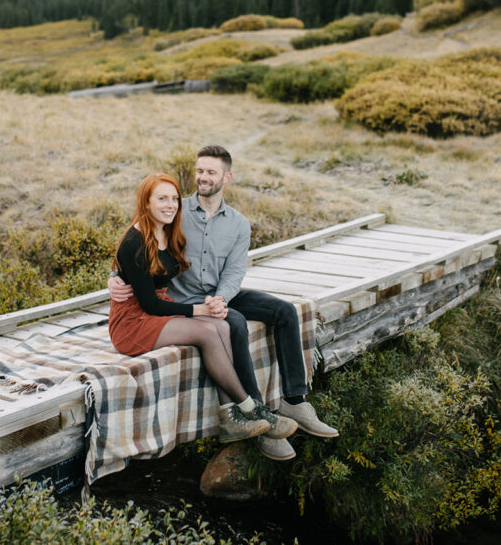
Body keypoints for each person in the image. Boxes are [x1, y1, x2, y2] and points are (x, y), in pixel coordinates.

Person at [110, 146, 338, 461]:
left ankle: (295, 401)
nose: (202, 177)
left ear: (226, 177)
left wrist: (221, 299)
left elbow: (234, 271)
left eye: (211, 172)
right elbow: (138, 249)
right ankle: (258, 418)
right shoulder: (177, 210)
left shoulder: (238, 224)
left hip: (219, 294)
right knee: (235, 324)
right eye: (199, 171)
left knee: (284, 311)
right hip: (181, 298)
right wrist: (114, 278)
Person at [109, 172, 272, 443]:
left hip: (159, 309)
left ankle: (228, 415)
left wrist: (210, 303)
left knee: (220, 325)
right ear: (146, 202)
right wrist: (199, 310)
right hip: (132, 322)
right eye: (161, 198)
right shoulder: (134, 242)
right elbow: (149, 303)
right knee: (207, 332)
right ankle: (248, 406)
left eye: (174, 198)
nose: (170, 205)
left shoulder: (168, 230)